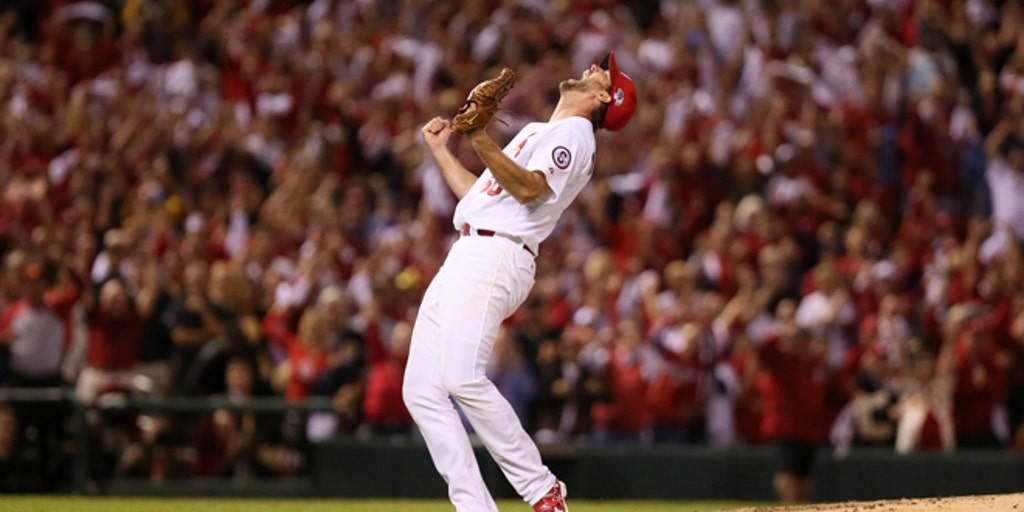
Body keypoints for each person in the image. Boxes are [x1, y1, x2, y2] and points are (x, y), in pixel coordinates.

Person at [403, 52, 637, 512]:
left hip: (498, 253)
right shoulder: (537, 131)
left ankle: (542, 490)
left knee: (462, 378)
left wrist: (478, 136)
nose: (593, 68)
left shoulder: (576, 133)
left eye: (602, 73)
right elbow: (481, 195)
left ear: (603, 97)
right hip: (471, 248)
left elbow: (530, 188)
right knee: (421, 390)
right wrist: (443, 151)